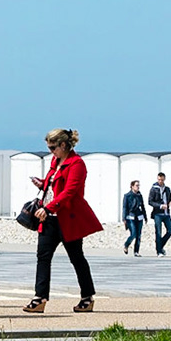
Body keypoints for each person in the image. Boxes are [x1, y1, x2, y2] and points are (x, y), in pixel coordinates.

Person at [25, 128, 99, 314]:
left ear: (63, 145)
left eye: (53, 147)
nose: (51, 151)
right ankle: (39, 297)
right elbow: (55, 185)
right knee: (43, 257)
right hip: (50, 219)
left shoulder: (77, 164)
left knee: (76, 258)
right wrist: (42, 183)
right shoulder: (55, 161)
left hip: (67, 219)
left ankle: (87, 297)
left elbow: (70, 192)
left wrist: (48, 208)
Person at [152, 174, 171, 256]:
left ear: (164, 179)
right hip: (158, 213)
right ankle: (159, 251)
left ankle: (160, 246)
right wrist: (160, 206)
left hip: (166, 214)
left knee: (170, 230)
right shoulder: (154, 189)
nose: (160, 181)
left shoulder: (167, 189)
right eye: (159, 179)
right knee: (158, 232)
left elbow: (170, 198)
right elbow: (150, 201)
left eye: (162, 180)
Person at [125, 181, 147, 255]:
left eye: (138, 185)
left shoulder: (139, 195)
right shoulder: (127, 196)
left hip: (139, 216)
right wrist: (124, 219)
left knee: (138, 235)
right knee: (133, 233)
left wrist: (145, 216)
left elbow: (143, 206)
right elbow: (125, 207)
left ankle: (136, 251)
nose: (138, 187)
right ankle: (126, 245)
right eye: (136, 185)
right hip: (131, 217)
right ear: (132, 186)